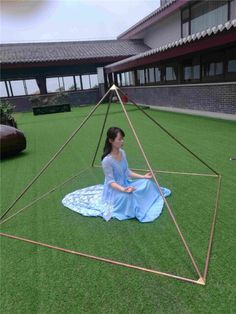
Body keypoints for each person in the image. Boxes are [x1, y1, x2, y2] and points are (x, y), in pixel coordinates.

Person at [62, 127, 171, 222]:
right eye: (119, 139)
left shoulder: (122, 153)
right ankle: (137, 203)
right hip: (114, 191)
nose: (122, 141)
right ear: (111, 140)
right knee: (130, 196)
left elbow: (127, 171)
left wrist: (143, 176)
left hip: (126, 183)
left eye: (122, 139)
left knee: (147, 183)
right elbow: (110, 182)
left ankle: (145, 198)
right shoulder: (107, 160)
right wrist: (124, 190)